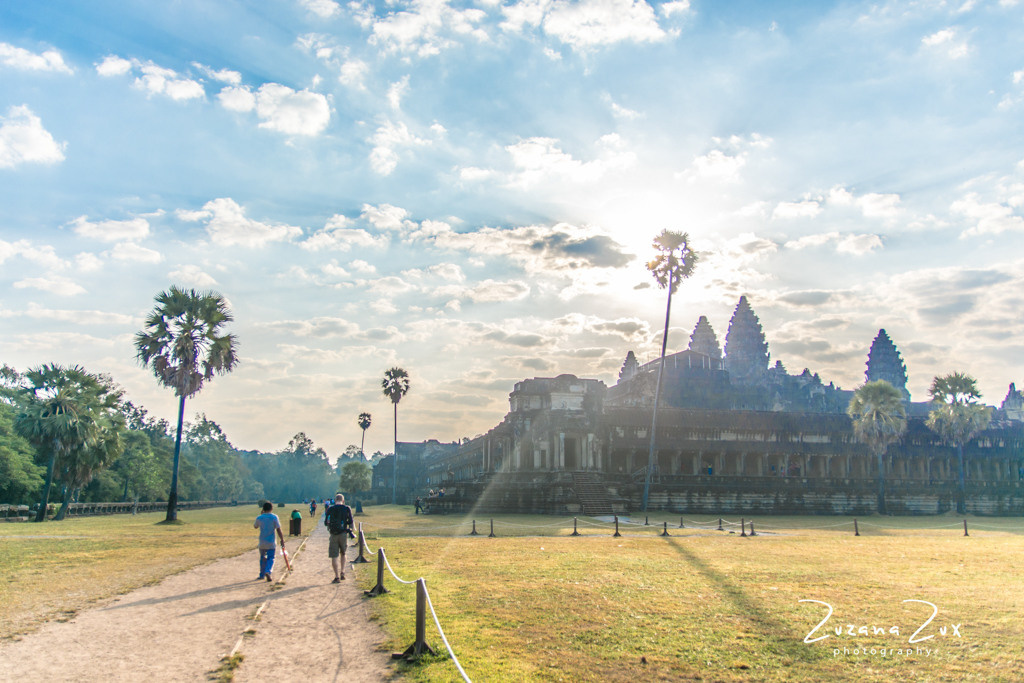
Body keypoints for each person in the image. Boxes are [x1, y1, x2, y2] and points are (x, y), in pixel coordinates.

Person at [323, 493, 353, 583]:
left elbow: (325, 522)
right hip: (343, 533)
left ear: (335, 500)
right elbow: (351, 521)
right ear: (343, 501)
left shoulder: (331, 509)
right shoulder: (347, 508)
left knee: (334, 556)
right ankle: (342, 572)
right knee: (343, 553)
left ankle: (336, 577)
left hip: (333, 534)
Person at [253, 502, 285, 582]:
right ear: (271, 508)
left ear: (263, 508)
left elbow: (255, 526)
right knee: (271, 558)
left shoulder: (259, 517)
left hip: (262, 541)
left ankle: (261, 574)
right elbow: (278, 529)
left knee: (263, 558)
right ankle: (268, 571)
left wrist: (261, 515)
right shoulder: (274, 517)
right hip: (271, 542)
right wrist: (282, 539)